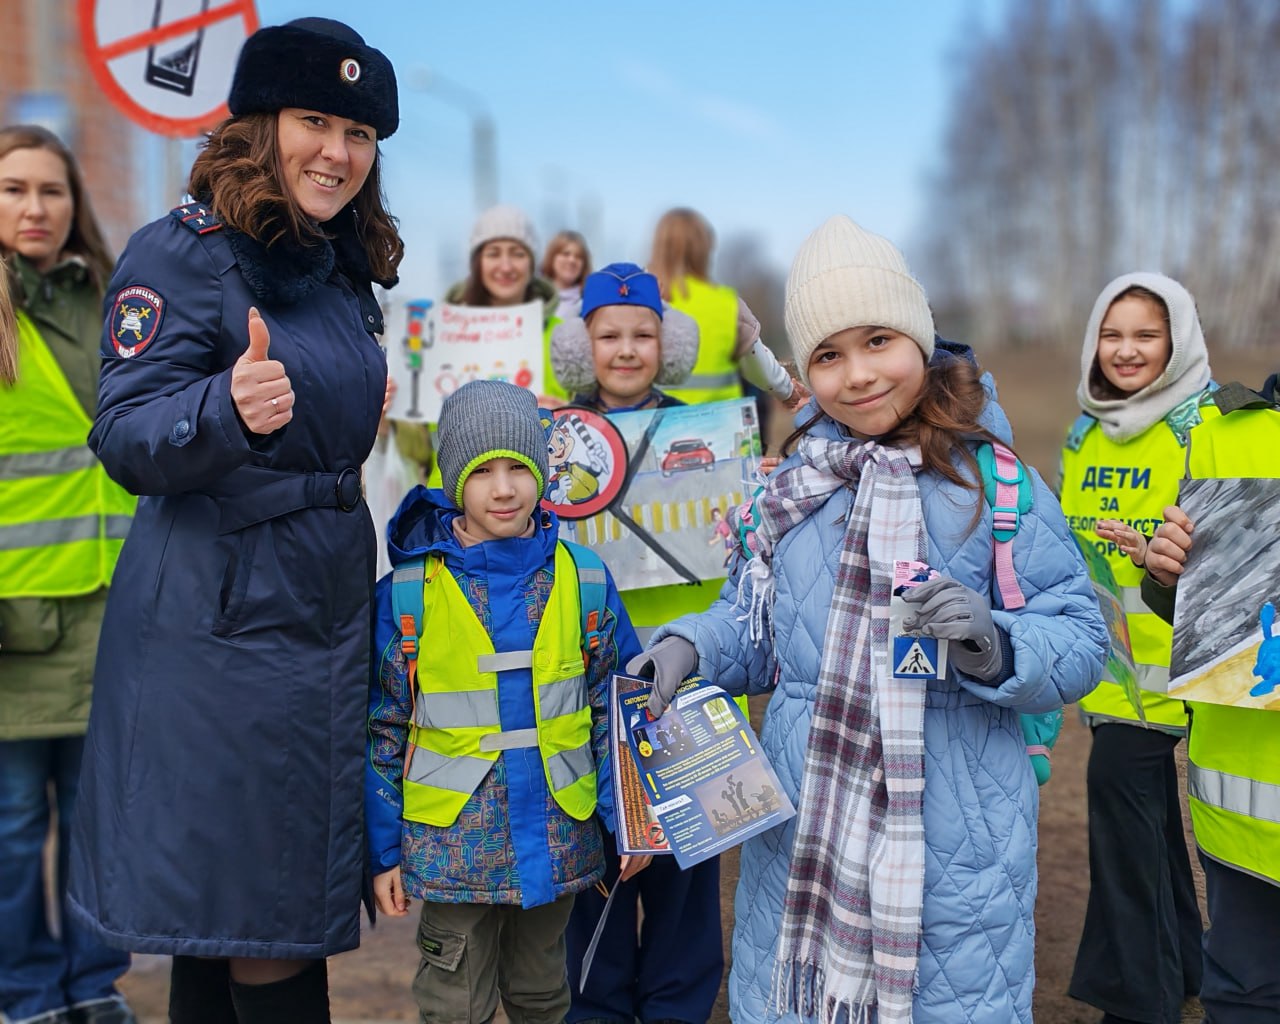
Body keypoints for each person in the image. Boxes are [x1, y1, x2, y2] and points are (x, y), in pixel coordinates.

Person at [631, 215, 1108, 1024]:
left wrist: (993, 644)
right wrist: (686, 648)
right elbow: (757, 629)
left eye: (878, 340)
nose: (856, 375)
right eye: (827, 355)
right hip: (806, 845)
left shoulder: (996, 485)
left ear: (920, 338)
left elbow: (1082, 640)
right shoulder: (794, 490)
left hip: (957, 852)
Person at [66, 18, 403, 1024]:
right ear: (257, 125)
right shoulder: (178, 253)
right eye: (312, 121)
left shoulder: (338, 267)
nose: (336, 153)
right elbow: (124, 433)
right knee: (263, 917)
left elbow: (309, 408)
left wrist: (351, 415)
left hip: (314, 604)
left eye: (358, 132)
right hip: (221, 633)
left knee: (236, 921)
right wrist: (220, 407)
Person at [365, 380, 648, 1024]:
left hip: (558, 838)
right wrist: (382, 854)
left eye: (518, 468)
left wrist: (627, 818)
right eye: (481, 471)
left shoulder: (587, 580)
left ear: (542, 474)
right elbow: (383, 728)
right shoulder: (409, 592)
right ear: (452, 478)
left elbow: (613, 710)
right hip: (448, 849)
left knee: (544, 997)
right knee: (453, 1005)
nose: (502, 488)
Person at [550, 264, 727, 1024]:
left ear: (668, 343)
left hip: (686, 689)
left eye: (643, 334)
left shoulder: (709, 436)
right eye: (610, 335)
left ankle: (678, 1012)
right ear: (581, 345)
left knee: (686, 880)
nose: (627, 349)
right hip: (585, 694)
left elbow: (740, 544)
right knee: (598, 883)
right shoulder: (552, 443)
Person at [0, 125, 137, 1024]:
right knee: (12, 835)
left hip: (116, 614)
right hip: (11, 626)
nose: (34, 208)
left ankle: (96, 986)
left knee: (103, 824)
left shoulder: (115, 301)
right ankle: (25, 994)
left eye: (50, 191)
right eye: (13, 190)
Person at [1060, 273, 1211, 1024]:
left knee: (1123, 840)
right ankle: (1186, 966)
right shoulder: (1086, 431)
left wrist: (1165, 556)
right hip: (1109, 678)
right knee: (1146, 833)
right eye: (1112, 334)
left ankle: (1136, 1003)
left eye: (1146, 335)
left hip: (1177, 679)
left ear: (1176, 340)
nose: (1125, 351)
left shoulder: (1201, 429)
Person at [1139, 378, 1280, 1023]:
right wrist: (1170, 577)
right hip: (1247, 820)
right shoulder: (1224, 433)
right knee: (1244, 996)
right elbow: (1205, 613)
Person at [647, 208, 749, 405]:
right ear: (704, 248)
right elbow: (758, 365)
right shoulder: (726, 301)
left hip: (655, 422)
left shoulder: (644, 299)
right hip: (724, 423)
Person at [541, 229, 591, 320]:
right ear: (552, 258)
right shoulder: (534, 298)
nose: (572, 260)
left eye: (578, 256)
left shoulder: (589, 303)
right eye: (565, 254)